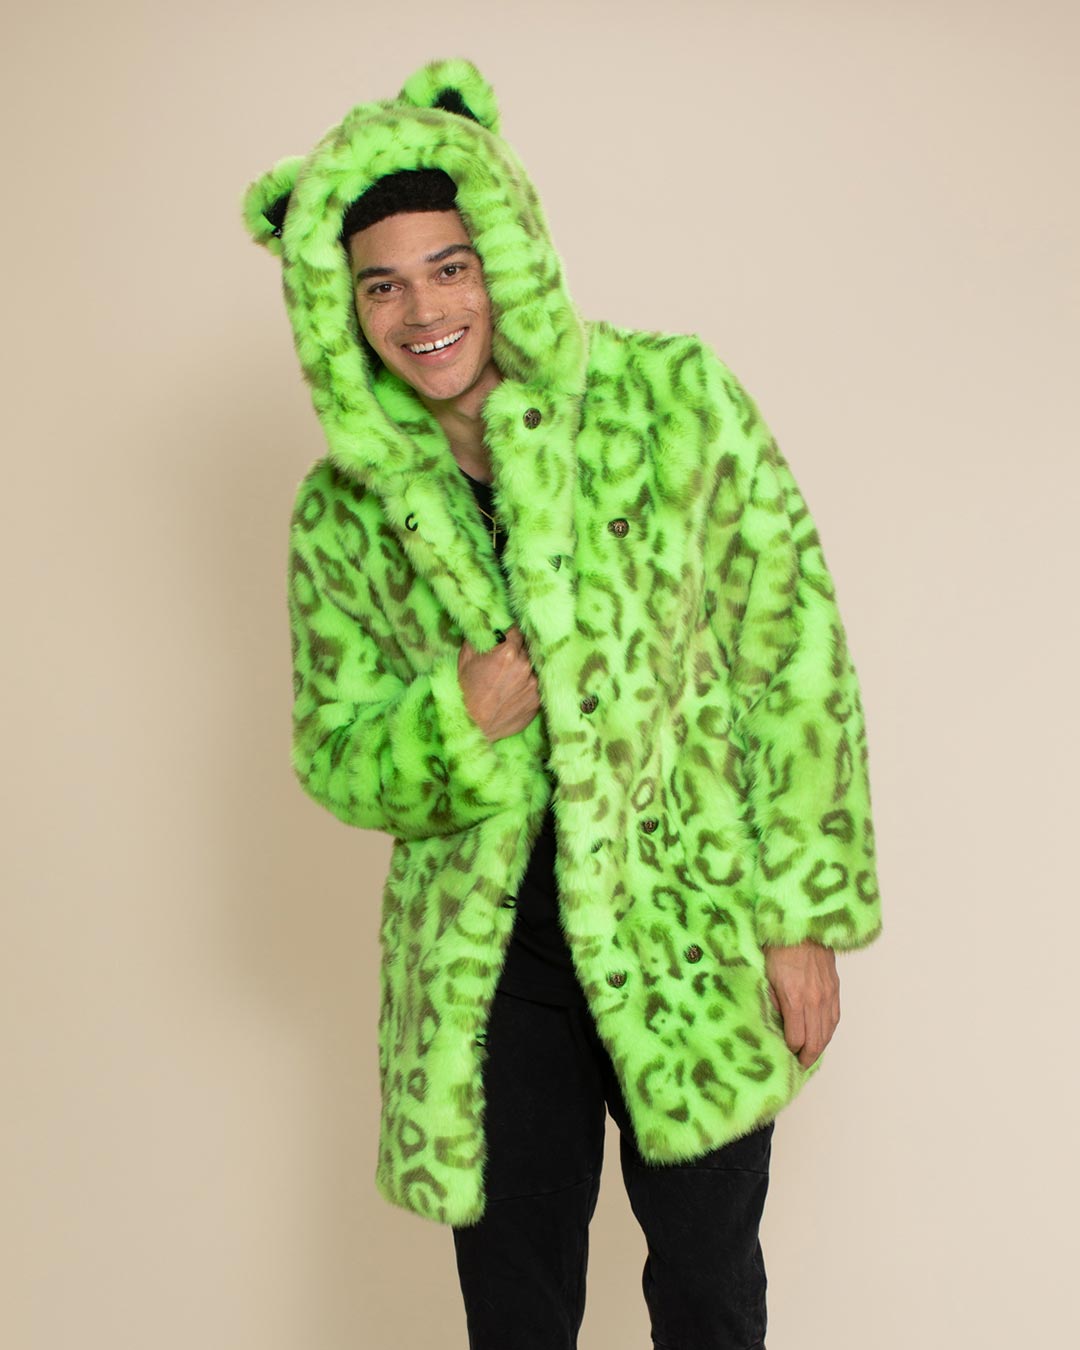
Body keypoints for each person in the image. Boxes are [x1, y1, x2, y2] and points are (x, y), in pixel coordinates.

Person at [243, 57, 884, 1350]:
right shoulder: (342, 513)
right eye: (381, 283)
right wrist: (454, 716)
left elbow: (793, 658)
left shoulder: (671, 400)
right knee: (518, 1313)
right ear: (340, 306)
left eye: (449, 265)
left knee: (708, 1291)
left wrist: (803, 915)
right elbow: (336, 751)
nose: (423, 308)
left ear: (503, 255)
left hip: (687, 929)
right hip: (492, 972)